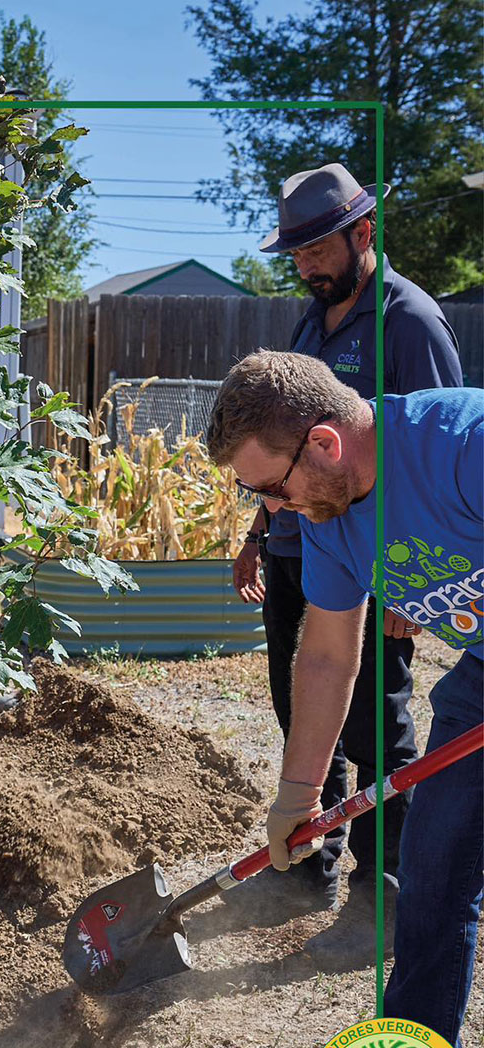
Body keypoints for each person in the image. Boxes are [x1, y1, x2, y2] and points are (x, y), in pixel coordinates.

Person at [207, 349, 482, 1048]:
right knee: (432, 877)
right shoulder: (328, 517)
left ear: (324, 443)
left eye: (272, 487)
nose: (270, 510)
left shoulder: (464, 447)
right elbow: (328, 657)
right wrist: (296, 796)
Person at [230, 163, 463, 959]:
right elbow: (274, 443)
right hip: (305, 541)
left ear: (364, 234)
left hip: (381, 561)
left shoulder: (410, 323)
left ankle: (386, 886)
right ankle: (310, 861)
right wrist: (261, 530)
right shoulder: (310, 323)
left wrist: (412, 582)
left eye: (316, 249)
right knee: (305, 699)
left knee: (381, 721)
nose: (304, 266)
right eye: (294, 254)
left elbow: (423, 459)